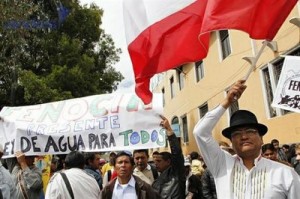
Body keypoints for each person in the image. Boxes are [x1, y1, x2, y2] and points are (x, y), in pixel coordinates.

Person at [193, 79, 300, 199]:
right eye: (237, 134)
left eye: (250, 131)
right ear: (231, 142)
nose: (244, 137)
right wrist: (227, 101)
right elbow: (200, 132)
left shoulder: (284, 173)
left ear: (261, 138)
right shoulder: (222, 165)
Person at [152, 115, 186, 199]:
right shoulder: (156, 180)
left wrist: (169, 130)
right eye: (155, 161)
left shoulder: (176, 173)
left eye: (159, 161)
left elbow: (177, 153)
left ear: (168, 161)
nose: (155, 164)